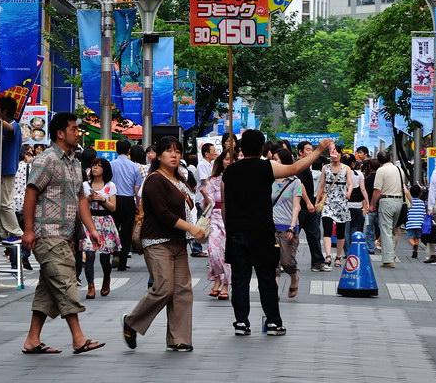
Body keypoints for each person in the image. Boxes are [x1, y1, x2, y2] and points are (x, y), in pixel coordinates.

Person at [222, 131, 329, 336]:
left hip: (236, 232)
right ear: (263, 149)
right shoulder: (266, 167)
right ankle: (273, 322)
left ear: (241, 148)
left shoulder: (230, 171)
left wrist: (229, 229)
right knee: (266, 278)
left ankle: (241, 323)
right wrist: (318, 150)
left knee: (240, 279)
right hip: (261, 231)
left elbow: (225, 205)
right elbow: (295, 167)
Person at [21, 111, 105, 355]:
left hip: (67, 234)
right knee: (66, 283)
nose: (77, 132)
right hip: (47, 233)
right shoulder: (47, 159)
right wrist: (28, 230)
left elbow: (81, 198)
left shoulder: (75, 162)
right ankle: (79, 338)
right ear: (60, 133)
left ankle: (32, 340)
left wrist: (92, 230)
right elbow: (31, 192)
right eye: (73, 129)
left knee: (48, 290)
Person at [122, 136, 205, 352]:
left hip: (179, 242)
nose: (174, 155)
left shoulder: (180, 180)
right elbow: (162, 214)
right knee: (164, 288)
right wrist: (191, 228)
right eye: (169, 151)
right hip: (157, 241)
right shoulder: (154, 180)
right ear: (158, 156)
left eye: (177, 151)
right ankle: (132, 321)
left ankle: (179, 338)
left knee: (182, 291)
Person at [81, 157, 120, 298]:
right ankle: (91, 287)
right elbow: (82, 204)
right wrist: (89, 199)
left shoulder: (110, 185)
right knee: (89, 255)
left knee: (105, 257)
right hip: (89, 221)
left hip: (105, 221)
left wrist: (102, 199)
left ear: (105, 169)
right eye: (93, 165)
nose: (95, 168)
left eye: (98, 166)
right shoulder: (85, 185)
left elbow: (113, 207)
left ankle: (106, 279)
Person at [271, 148, 304, 298]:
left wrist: (292, 226)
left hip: (287, 227)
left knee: (287, 262)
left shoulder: (294, 182)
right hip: (270, 226)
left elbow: (296, 206)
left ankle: (294, 278)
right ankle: (275, 290)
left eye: (276, 159)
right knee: (273, 262)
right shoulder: (268, 179)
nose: (273, 162)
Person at [201, 148, 233, 299]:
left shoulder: (239, 179)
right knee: (213, 251)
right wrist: (205, 196)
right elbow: (208, 203)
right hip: (215, 216)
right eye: (226, 159)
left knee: (227, 252)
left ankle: (226, 283)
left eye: (231, 159)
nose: (228, 162)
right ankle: (218, 278)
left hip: (232, 219)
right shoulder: (213, 180)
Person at [370, 150, 410, 267]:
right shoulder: (399, 169)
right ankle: (391, 254)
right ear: (390, 158)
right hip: (399, 202)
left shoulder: (381, 170)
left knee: (386, 230)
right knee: (392, 229)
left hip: (387, 201)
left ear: (378, 161)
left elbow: (377, 190)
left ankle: (388, 259)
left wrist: (372, 204)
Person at [315, 143, 352, 268]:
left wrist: (349, 192)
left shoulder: (346, 168)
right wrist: (317, 202)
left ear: (341, 154)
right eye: (331, 151)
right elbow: (321, 185)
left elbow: (351, 184)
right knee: (327, 229)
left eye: (336, 151)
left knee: (341, 233)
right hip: (328, 202)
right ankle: (328, 255)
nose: (334, 154)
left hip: (342, 203)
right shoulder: (325, 168)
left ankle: (338, 256)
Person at [295, 141, 328, 271]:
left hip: (309, 207)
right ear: (300, 152)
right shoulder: (299, 166)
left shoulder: (307, 166)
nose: (310, 152)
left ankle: (318, 262)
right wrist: (309, 203)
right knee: (293, 237)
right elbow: (300, 185)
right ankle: (285, 261)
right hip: (301, 207)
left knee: (315, 234)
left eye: (311, 149)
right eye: (307, 150)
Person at [111, 139, 143, 271]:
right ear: (129, 150)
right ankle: (123, 261)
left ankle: (114, 255)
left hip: (114, 200)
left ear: (116, 149)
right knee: (126, 231)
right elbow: (137, 189)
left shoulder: (111, 164)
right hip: (129, 200)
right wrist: (138, 204)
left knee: (113, 229)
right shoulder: (134, 166)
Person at [0, 95, 25, 244]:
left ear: (4, 111)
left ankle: (17, 232)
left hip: (7, 169)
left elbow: (10, 128)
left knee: (4, 203)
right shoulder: (5, 125)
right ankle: (3, 232)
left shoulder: (15, 125)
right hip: (2, 169)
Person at [342, 153, 369, 253]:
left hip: (344, 205)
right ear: (353, 164)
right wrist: (367, 201)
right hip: (357, 205)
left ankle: (347, 251)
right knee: (354, 227)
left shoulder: (340, 174)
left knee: (345, 229)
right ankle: (353, 251)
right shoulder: (359, 174)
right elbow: (363, 189)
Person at [361, 159, 381, 254]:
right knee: (382, 227)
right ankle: (383, 246)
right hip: (382, 206)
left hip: (370, 207)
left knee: (369, 228)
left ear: (369, 167)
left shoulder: (367, 179)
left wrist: (366, 206)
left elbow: (365, 194)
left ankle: (370, 247)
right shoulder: (381, 179)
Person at [405, 184, 427, 259]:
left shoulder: (409, 202)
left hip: (410, 223)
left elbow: (407, 212)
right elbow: (424, 214)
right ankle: (416, 247)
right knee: (417, 238)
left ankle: (414, 245)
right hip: (419, 223)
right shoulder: (421, 203)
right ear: (420, 193)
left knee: (410, 238)